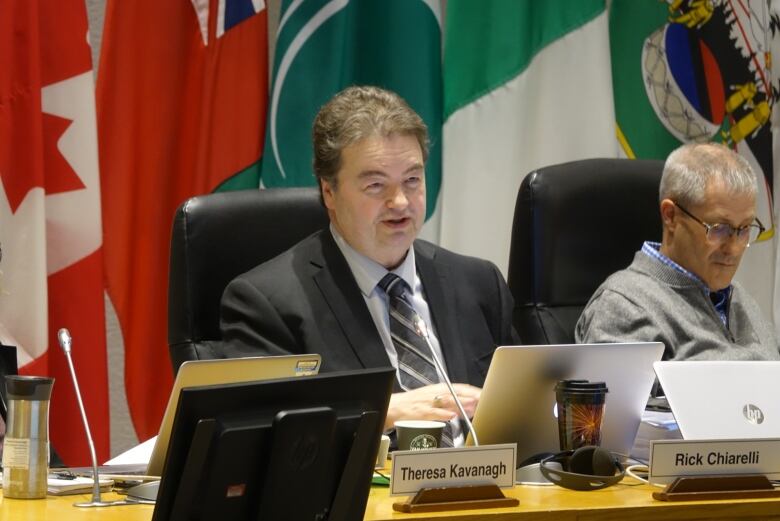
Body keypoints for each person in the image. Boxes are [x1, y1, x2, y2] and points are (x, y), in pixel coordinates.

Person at [220, 86, 519, 441]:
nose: (400, 201)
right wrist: (385, 412)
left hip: (491, 490)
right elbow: (260, 428)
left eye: (412, 179)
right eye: (376, 185)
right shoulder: (267, 303)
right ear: (328, 192)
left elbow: (526, 404)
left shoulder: (478, 282)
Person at [576, 142, 779, 360]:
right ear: (671, 216)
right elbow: (618, 394)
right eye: (720, 229)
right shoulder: (624, 306)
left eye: (745, 228)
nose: (734, 248)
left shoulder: (739, 298)